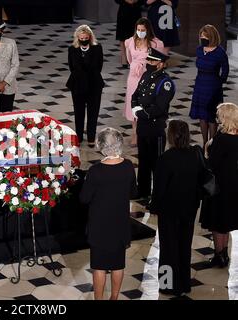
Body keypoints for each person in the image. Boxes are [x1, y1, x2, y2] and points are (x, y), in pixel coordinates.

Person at [80, 128, 137, 300]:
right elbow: (133, 193)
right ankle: (114, 297)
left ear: (101, 145)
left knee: (99, 266)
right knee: (118, 264)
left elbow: (84, 198)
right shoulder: (128, 166)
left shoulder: (96, 170)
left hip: (99, 225)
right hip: (120, 222)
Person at [150, 120, 203, 296]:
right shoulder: (195, 154)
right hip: (189, 209)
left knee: (168, 249)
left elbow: (159, 189)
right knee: (184, 246)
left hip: (169, 211)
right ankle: (184, 283)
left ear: (170, 136)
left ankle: (168, 286)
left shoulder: (165, 159)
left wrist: (154, 208)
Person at [131, 48, 175, 200]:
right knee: (143, 161)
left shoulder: (166, 82)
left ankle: (157, 196)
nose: (149, 63)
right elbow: (135, 95)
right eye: (148, 60)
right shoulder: (145, 75)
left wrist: (140, 112)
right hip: (143, 127)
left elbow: (159, 107)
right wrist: (134, 107)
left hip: (155, 129)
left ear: (161, 64)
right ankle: (142, 191)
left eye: (153, 61)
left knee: (157, 165)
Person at [200, 103, 238, 268]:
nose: (217, 117)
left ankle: (219, 254)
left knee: (217, 222)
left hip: (219, 184)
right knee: (227, 220)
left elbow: (212, 163)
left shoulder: (222, 139)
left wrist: (207, 153)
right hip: (234, 184)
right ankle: (225, 253)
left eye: (219, 115)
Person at [124, 18, 164, 147]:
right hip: (134, 77)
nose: (140, 32)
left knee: (145, 102)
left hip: (147, 75)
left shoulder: (155, 43)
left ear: (148, 30)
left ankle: (145, 131)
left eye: (143, 30)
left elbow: (160, 61)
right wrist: (135, 67)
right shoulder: (130, 41)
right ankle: (134, 134)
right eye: (138, 30)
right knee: (133, 102)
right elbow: (129, 59)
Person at [189, 25, 229, 147]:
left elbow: (225, 70)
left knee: (211, 117)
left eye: (205, 36)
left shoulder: (220, 52)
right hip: (200, 84)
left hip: (213, 86)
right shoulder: (199, 50)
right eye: (201, 36)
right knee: (202, 116)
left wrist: (219, 82)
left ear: (211, 37)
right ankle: (204, 143)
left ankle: (212, 144)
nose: (202, 38)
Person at [66, 25, 104, 147]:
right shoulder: (72, 49)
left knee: (93, 111)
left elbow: (99, 66)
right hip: (77, 84)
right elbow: (72, 67)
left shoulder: (97, 48)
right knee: (79, 112)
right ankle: (79, 137)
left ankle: (91, 137)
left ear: (90, 37)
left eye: (86, 38)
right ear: (77, 38)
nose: (83, 40)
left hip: (94, 84)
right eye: (81, 38)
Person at [115, 0, 145, 68]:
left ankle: (135, 57)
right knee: (122, 35)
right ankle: (124, 58)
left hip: (136, 11)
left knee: (137, 35)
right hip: (124, 11)